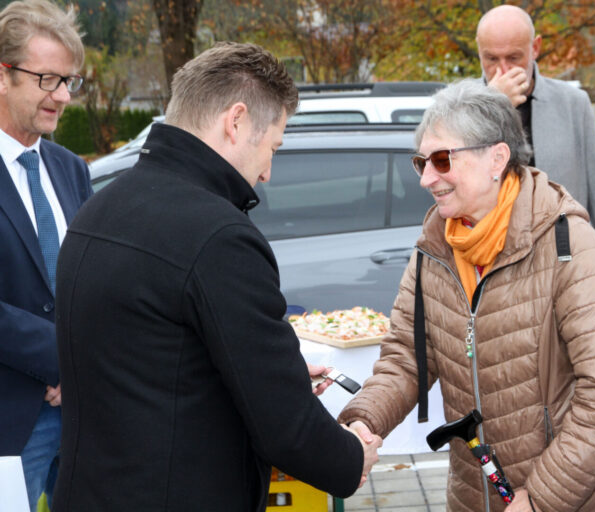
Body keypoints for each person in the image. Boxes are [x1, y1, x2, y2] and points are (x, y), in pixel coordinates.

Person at [53, 42, 381, 511]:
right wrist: (351, 457)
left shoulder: (100, 208)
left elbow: (147, 362)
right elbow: (286, 428)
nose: (267, 173)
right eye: (272, 147)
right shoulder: (219, 236)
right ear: (236, 121)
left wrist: (273, 372)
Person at [339, 80, 595, 512]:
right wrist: (363, 422)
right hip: (473, 497)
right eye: (421, 162)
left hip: (570, 498)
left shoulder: (566, 241)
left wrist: (542, 497)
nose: (426, 178)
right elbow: (405, 359)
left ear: (497, 158)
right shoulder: (434, 249)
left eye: (442, 160)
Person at [474, 5, 595, 322]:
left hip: (565, 274)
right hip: (494, 279)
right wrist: (492, 107)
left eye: (514, 57)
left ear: (535, 48)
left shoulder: (572, 103)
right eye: (491, 59)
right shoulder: (460, 108)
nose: (502, 70)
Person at [0, 1, 91, 510]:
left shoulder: (71, 168)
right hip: (11, 421)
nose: (63, 96)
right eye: (48, 80)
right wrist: (62, 361)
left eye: (68, 81)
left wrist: (81, 368)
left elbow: (95, 281)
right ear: (2, 75)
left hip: (85, 416)